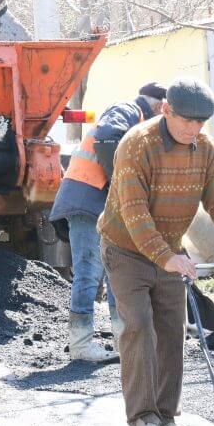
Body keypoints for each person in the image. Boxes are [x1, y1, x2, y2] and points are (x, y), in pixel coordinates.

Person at [98, 77, 214, 426]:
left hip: (169, 248)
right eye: (186, 120)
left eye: (200, 123)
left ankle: (166, 416)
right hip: (125, 248)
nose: (192, 129)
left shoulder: (205, 149)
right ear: (166, 110)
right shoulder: (137, 145)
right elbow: (135, 213)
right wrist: (165, 257)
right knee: (138, 325)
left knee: (172, 330)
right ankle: (143, 420)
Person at [50, 82, 166, 363]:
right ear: (160, 107)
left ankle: (123, 340)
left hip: (102, 207)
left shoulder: (138, 126)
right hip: (86, 203)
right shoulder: (126, 111)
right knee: (88, 274)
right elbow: (106, 138)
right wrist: (122, 185)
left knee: (117, 274)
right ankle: (81, 345)